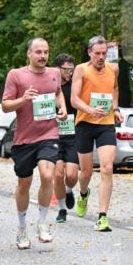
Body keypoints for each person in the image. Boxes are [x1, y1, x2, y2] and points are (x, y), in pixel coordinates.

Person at [1, 37, 67, 249]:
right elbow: (5, 106)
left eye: (46, 52)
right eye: (38, 52)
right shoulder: (16, 75)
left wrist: (62, 108)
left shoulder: (55, 73)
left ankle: (42, 222)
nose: (43, 56)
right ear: (29, 54)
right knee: (24, 184)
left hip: (49, 133)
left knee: (48, 175)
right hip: (24, 139)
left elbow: (58, 93)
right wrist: (23, 100)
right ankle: (21, 228)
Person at [71, 36, 124, 232]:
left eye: (104, 54)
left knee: (107, 168)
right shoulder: (81, 69)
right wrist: (89, 110)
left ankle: (102, 216)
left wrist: (116, 109)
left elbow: (115, 88)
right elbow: (74, 99)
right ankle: (84, 194)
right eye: (98, 54)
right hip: (85, 123)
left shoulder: (114, 69)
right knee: (85, 173)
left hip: (106, 123)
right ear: (89, 53)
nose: (101, 57)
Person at [52, 53, 80, 223]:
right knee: (58, 174)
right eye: (66, 69)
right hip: (53, 136)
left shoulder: (74, 86)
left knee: (71, 175)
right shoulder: (50, 86)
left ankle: (69, 190)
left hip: (73, 135)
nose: (70, 72)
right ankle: (62, 209)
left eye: (72, 69)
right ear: (57, 69)